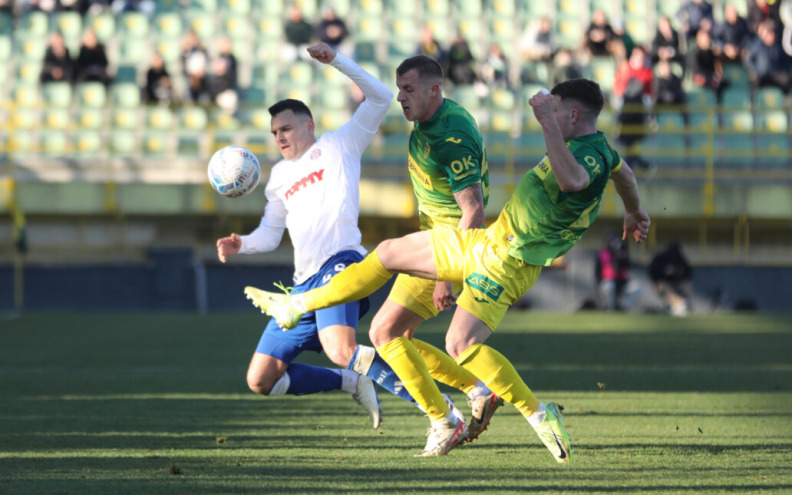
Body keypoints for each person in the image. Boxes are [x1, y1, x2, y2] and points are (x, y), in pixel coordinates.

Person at [245, 78, 652, 463]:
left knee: (460, 345)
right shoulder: (604, 152)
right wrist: (634, 211)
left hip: (510, 261)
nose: (551, 114)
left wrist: (546, 122)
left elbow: (573, 181)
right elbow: (625, 173)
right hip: (488, 243)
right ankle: (298, 304)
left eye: (557, 110)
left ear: (573, 116)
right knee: (387, 255)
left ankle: (536, 412)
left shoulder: (586, 154)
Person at [613, 46, 654, 168]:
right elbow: (618, 89)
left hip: (639, 112)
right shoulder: (625, 69)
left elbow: (649, 94)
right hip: (626, 110)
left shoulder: (647, 73)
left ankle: (633, 163)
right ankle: (636, 163)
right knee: (627, 139)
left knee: (632, 140)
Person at [745, 20, 792, 96]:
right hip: (763, 75)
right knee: (754, 80)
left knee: (786, 80)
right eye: (768, 33)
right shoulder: (758, 44)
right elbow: (748, 60)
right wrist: (757, 69)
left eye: (772, 33)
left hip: (777, 75)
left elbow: (788, 61)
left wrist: (783, 69)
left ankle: (786, 103)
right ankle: (753, 103)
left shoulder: (780, 45)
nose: (771, 36)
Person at [596, 233, 641, 311]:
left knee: (638, 287)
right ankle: (609, 309)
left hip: (622, 284)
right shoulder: (604, 253)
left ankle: (622, 307)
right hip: (608, 283)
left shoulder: (623, 253)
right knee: (609, 286)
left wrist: (621, 256)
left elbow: (628, 266)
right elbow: (598, 272)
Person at [649, 241, 693, 316]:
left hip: (678, 283)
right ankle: (678, 306)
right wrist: (656, 282)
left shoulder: (680, 258)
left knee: (686, 285)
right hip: (665, 283)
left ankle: (682, 305)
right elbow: (653, 271)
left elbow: (688, 273)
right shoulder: (661, 258)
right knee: (663, 286)